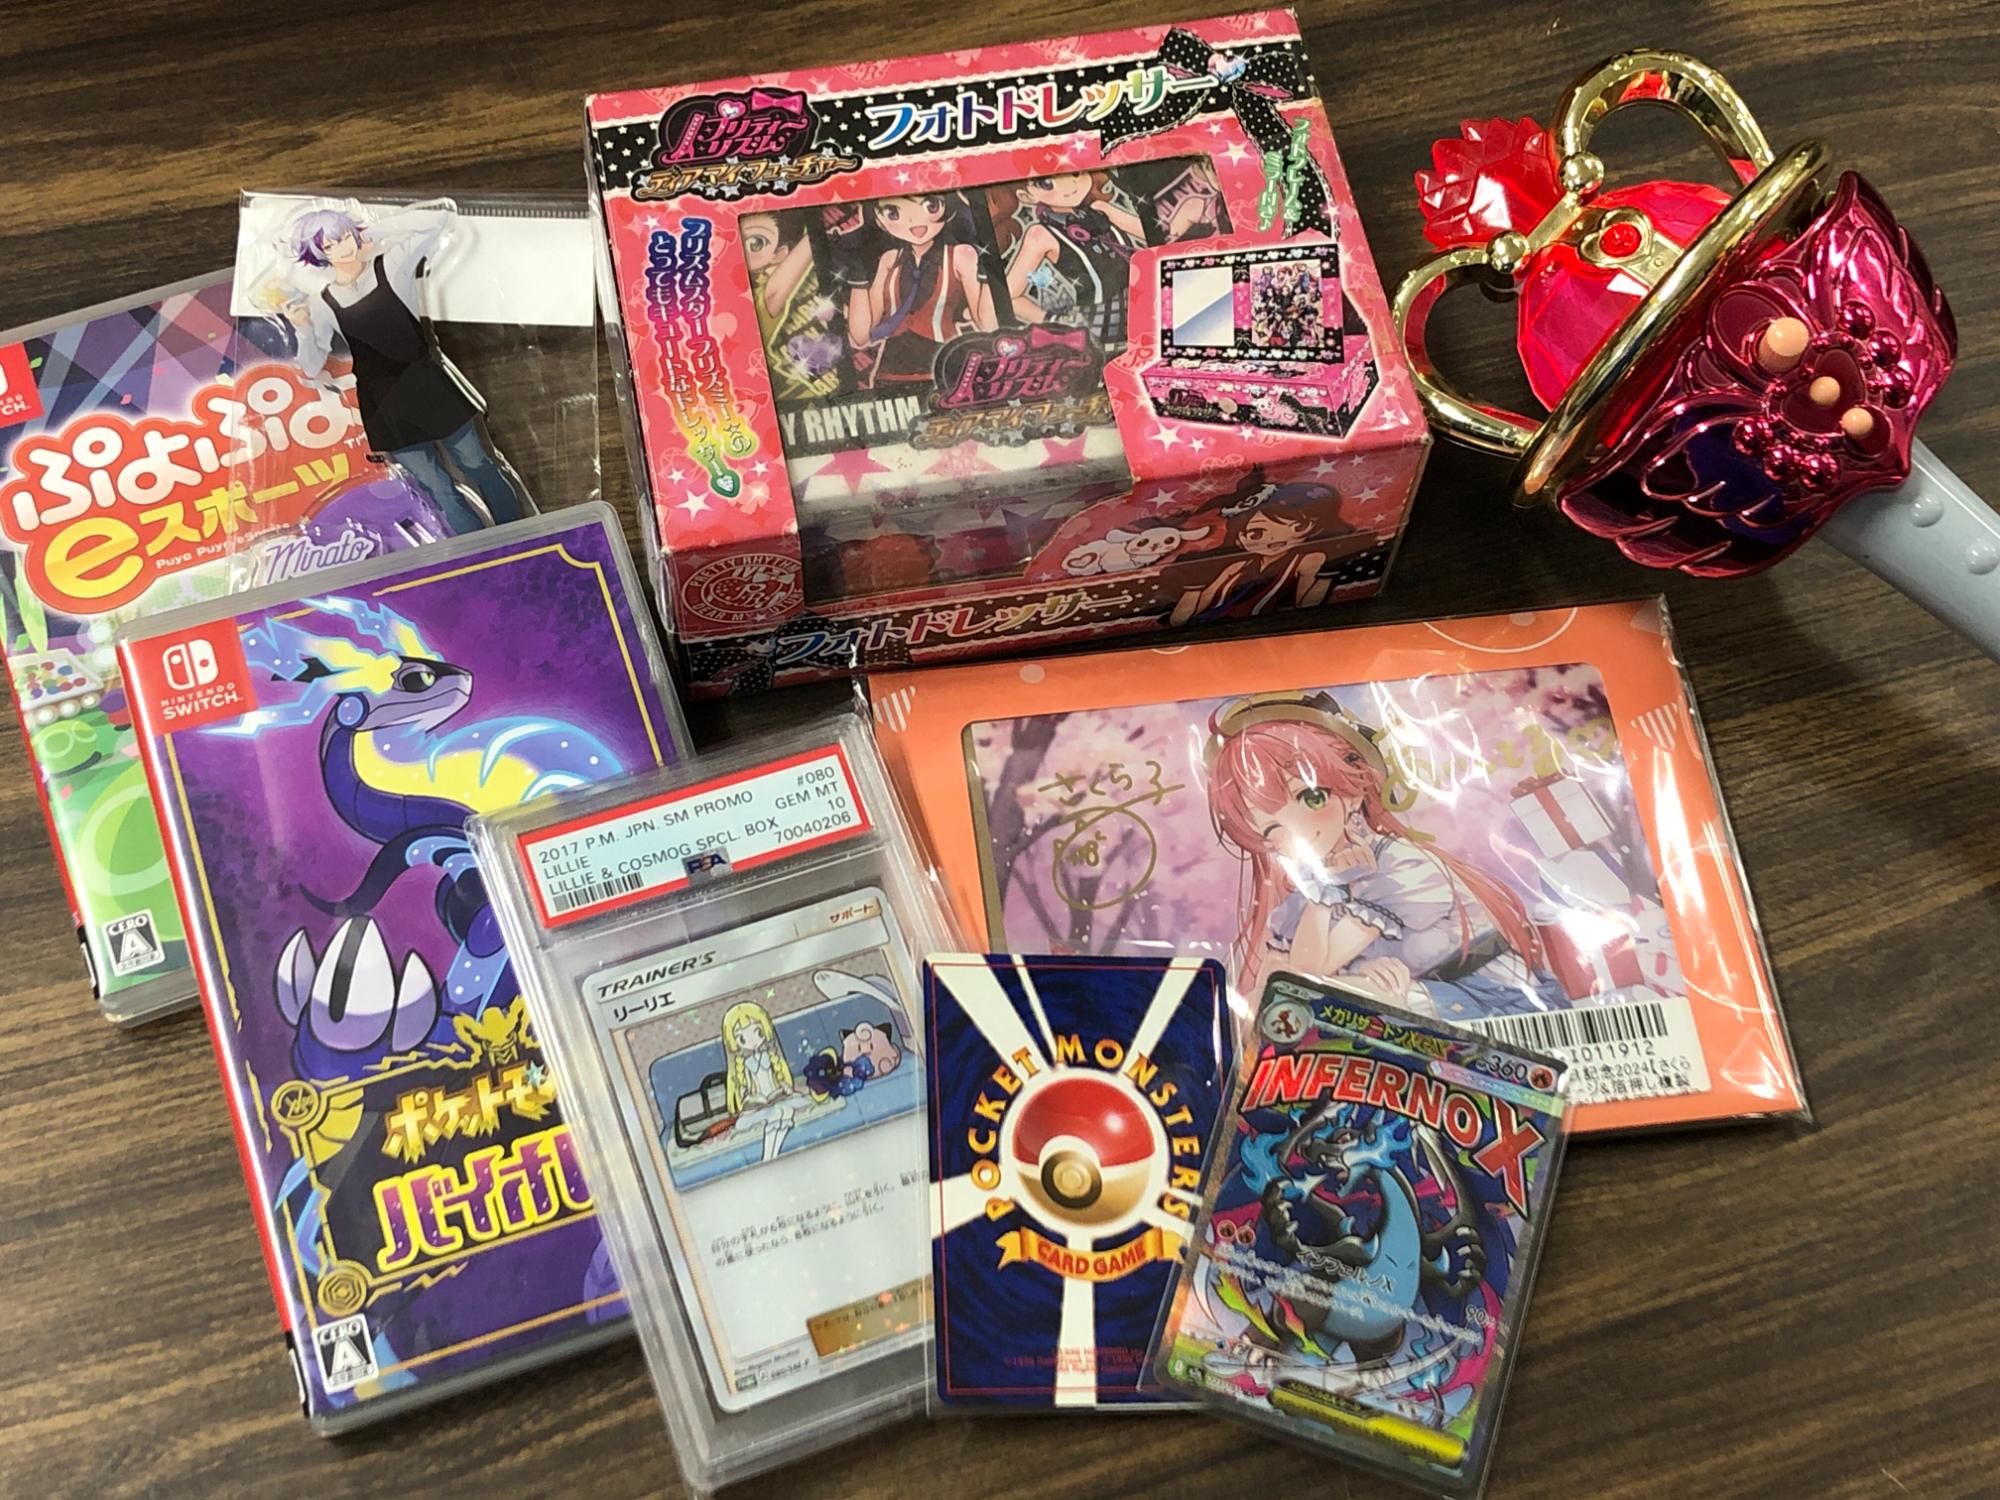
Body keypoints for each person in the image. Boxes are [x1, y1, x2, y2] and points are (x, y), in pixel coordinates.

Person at [1204, 690, 1568, 1020]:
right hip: (1422, 999)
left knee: (1303, 1005)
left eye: (1311, 798)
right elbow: (1290, 975)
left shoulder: (1401, 865)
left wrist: (1327, 908)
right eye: (1271, 829)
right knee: (1266, 1002)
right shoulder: (1316, 885)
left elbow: (1305, 976)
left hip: (1495, 1002)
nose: (1297, 831)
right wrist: (1355, 961)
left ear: (1352, 794)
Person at [284, 203, 522, 533]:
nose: (342, 247)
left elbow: (439, 219)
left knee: (479, 464)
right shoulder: (322, 302)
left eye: (344, 237)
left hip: (427, 383)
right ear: (318, 254)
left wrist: (370, 231)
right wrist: (302, 329)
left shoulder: (392, 264)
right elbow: (311, 367)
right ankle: (480, 550)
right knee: (437, 488)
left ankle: (520, 532)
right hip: (383, 403)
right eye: (329, 245)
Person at [844, 193, 997, 387]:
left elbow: (988, 325)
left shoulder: (960, 255)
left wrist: (988, 277)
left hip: (944, 371)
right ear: (879, 219)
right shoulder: (889, 259)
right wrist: (857, 281)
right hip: (890, 374)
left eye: (931, 206)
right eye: (893, 212)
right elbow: (861, 336)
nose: (913, 221)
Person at [1001, 172, 1143, 349]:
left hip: (1147, 306)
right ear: (1027, 196)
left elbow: (1153, 237)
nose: (1070, 185)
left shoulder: (1100, 211)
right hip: (1104, 326)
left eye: (1075, 173)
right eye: (1046, 183)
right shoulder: (1040, 235)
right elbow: (1009, 298)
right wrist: (1055, 322)